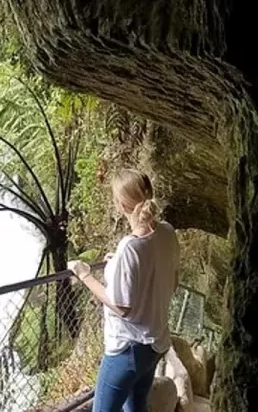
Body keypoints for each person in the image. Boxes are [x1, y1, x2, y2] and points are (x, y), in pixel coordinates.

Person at [67, 169, 180, 412]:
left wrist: (84, 274)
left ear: (120, 205)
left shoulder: (130, 247)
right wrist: (116, 261)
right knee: (136, 406)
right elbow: (172, 281)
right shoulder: (167, 232)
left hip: (127, 350)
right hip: (156, 344)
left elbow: (122, 307)